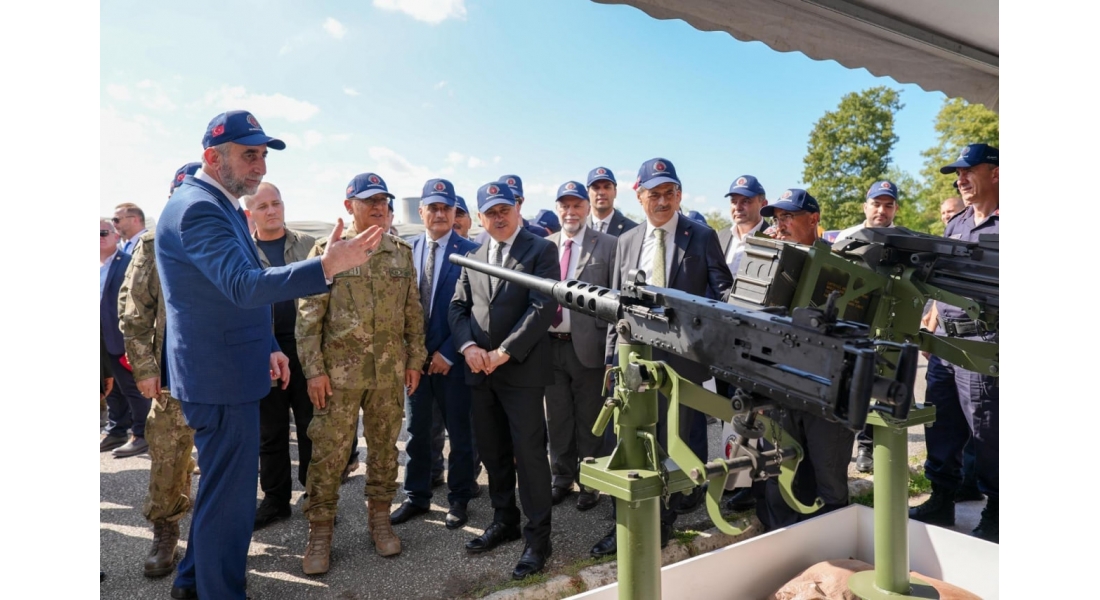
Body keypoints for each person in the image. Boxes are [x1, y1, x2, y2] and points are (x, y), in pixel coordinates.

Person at [155, 110, 383, 600]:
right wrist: (326, 266)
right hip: (219, 378)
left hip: (229, 366)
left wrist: (269, 346)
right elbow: (243, 286)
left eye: (262, 155)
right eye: (248, 155)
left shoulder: (217, 204)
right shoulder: (198, 209)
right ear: (212, 157)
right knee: (231, 500)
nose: (259, 166)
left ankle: (192, 580)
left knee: (221, 490)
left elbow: (229, 291)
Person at [594, 157, 734, 558]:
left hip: (682, 363)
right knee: (631, 442)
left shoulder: (701, 236)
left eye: (669, 192)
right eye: (654, 193)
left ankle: (662, 525)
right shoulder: (626, 241)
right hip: (634, 362)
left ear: (679, 195)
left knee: (674, 446)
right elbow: (616, 307)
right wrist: (612, 359)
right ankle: (626, 523)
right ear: (639, 197)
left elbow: (721, 293)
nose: (662, 200)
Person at [297, 172, 427, 573]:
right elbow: (308, 316)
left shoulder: (400, 253)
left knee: (386, 450)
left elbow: (412, 311)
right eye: (369, 201)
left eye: (383, 201)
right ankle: (320, 532)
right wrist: (314, 371)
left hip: (387, 374)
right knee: (328, 454)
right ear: (348, 206)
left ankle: (380, 519)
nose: (378, 207)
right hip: (337, 377)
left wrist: (415, 359)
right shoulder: (328, 251)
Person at [449, 181, 560, 580]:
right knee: (493, 451)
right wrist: (468, 348)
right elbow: (458, 307)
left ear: (517, 209)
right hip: (481, 372)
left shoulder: (541, 249)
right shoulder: (474, 255)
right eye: (490, 213)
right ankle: (504, 520)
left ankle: (538, 538)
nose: (498, 218)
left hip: (520, 371)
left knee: (529, 456)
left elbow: (542, 306)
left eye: (504, 210)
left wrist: (504, 352)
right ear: (479, 217)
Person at [909, 143, 999, 543]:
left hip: (984, 341)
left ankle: (998, 509)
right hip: (945, 341)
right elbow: (941, 279)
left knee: (987, 429)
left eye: (968, 171)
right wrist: (931, 319)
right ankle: (942, 497)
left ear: (995, 173)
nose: (960, 179)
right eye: (957, 174)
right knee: (941, 421)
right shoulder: (957, 222)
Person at [754, 189, 857, 532]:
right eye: (777, 218)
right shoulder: (766, 261)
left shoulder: (842, 267)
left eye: (788, 217)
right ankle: (783, 548)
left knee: (828, 479)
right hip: (778, 387)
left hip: (825, 391)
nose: (779, 225)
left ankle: (831, 551)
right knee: (779, 476)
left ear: (813, 219)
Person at [116, 164, 200, 578]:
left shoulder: (227, 233)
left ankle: (214, 539)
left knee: (224, 460)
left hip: (223, 373)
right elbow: (134, 312)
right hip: (171, 378)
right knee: (168, 457)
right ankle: (165, 529)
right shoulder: (153, 243)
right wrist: (146, 369)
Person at [390, 179, 481, 531]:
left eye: (447, 208)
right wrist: (410, 353)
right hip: (414, 363)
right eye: (433, 207)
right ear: (422, 211)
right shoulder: (405, 249)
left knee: (460, 434)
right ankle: (416, 495)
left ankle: (459, 498)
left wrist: (448, 352)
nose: (440, 214)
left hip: (452, 361)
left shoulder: (471, 252)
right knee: (417, 432)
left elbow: (476, 311)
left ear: (455, 212)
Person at [242, 182, 319, 530]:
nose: (272, 211)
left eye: (276, 203)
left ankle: (315, 495)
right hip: (264, 351)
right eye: (263, 207)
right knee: (270, 431)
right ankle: (275, 499)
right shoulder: (242, 249)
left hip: (306, 349)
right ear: (250, 213)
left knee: (311, 427)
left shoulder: (308, 244)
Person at [544, 181, 616, 511]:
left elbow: (615, 299)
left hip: (589, 347)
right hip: (551, 346)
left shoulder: (608, 245)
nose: (571, 212)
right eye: (565, 206)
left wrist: (611, 352)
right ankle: (561, 478)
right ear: (557, 209)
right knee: (557, 418)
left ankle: (590, 481)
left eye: (577, 205)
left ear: (587, 207)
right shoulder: (546, 246)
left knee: (590, 419)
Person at [834, 180, 901, 474]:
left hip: (889, 324)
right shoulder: (847, 238)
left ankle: (868, 446)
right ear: (865, 206)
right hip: (853, 321)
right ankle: (840, 448)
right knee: (850, 383)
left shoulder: (906, 242)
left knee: (883, 384)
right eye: (876, 204)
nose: (881, 210)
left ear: (896, 209)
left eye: (888, 205)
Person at [100, 218, 152, 457]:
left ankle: (141, 434)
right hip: (100, 339)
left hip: (121, 336)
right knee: (111, 390)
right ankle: (116, 430)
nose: (99, 238)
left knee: (132, 388)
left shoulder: (129, 262)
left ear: (116, 236)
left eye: (103, 232)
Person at [717, 175, 769, 279]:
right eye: (734, 201)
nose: (738, 207)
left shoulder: (773, 239)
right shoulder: (720, 237)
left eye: (745, 201)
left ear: (763, 204)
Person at [473, 175, 548, 243]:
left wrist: (521, 232)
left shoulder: (539, 233)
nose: (515, 203)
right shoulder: (480, 239)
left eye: (516, 199)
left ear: (521, 201)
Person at [585, 166, 638, 237]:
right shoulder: (579, 228)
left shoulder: (633, 230)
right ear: (587, 193)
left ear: (615, 192)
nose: (601, 192)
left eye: (607, 187)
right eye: (596, 188)